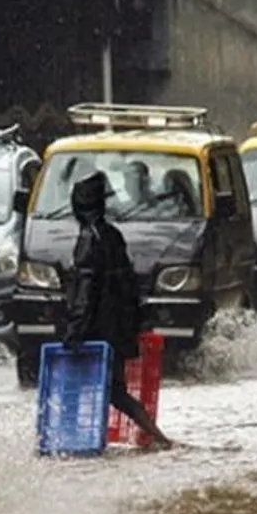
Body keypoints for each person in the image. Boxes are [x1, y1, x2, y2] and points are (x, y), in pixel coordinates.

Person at [62, 171, 175, 450]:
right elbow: (129, 285)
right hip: (119, 329)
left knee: (99, 390)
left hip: (101, 332)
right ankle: (151, 437)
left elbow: (86, 292)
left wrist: (74, 331)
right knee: (114, 391)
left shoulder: (89, 239)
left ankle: (155, 437)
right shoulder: (112, 235)